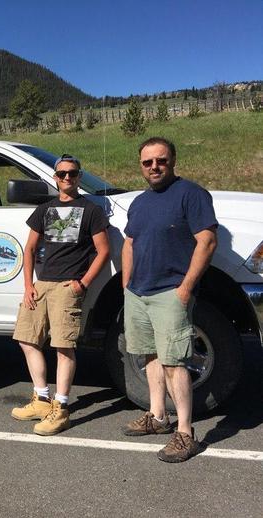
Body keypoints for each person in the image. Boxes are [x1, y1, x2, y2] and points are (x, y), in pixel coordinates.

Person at [121, 136, 218, 463]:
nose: (154, 167)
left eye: (161, 160)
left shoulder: (191, 194)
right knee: (149, 356)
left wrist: (186, 288)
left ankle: (186, 433)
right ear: (141, 166)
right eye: (148, 162)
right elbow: (130, 243)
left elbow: (207, 241)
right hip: (138, 293)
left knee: (175, 362)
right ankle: (158, 417)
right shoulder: (139, 202)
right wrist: (126, 284)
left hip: (171, 293)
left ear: (172, 161)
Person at [11, 154, 110, 435]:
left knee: (63, 347)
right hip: (41, 284)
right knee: (26, 339)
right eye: (62, 174)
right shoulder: (45, 209)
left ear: (79, 177)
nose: (67, 178)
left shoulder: (91, 210)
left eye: (73, 173)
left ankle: (62, 407)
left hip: (68, 286)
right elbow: (29, 249)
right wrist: (28, 285)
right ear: (55, 177)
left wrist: (83, 283)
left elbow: (103, 251)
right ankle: (42, 398)